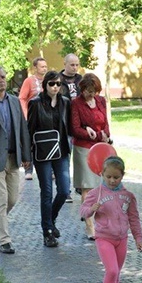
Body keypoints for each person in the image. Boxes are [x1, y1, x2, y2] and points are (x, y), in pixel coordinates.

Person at [80, 156, 142, 283]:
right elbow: (83, 211)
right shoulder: (96, 193)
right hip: (104, 238)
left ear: (122, 176)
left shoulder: (128, 196)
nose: (112, 180)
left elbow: (134, 218)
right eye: (108, 177)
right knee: (112, 270)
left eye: (116, 177)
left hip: (121, 239)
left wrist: (138, 237)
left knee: (116, 273)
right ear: (102, 174)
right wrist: (91, 210)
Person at [0, 65, 31, 254]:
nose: (1, 80)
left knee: (11, 199)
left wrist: (26, 156)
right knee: (1, 200)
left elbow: (23, 129)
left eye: (3, 77)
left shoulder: (13, 101)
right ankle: (5, 240)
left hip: (13, 157)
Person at [27, 70, 72, 247]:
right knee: (46, 191)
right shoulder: (36, 103)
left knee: (63, 190)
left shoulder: (66, 103)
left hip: (61, 152)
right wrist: (27, 156)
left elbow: (70, 126)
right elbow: (29, 130)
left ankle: (50, 220)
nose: (55, 87)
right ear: (45, 85)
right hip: (43, 153)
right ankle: (47, 231)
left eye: (58, 84)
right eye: (51, 84)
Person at [70, 73, 112, 240]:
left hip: (101, 148)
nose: (91, 95)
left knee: (102, 187)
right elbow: (75, 128)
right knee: (88, 188)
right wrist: (89, 133)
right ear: (82, 89)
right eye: (88, 91)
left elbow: (106, 123)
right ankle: (89, 225)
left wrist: (105, 134)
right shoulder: (76, 104)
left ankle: (101, 221)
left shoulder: (101, 101)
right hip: (84, 149)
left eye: (94, 91)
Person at [19, 57, 48, 180]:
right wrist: (25, 114)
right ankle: (28, 170)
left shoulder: (49, 80)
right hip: (32, 117)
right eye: (42, 66)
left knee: (45, 141)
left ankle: (48, 168)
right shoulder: (29, 81)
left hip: (46, 118)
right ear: (35, 67)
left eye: (45, 66)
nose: (44, 68)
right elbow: (22, 98)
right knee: (30, 143)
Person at [59, 53, 82, 204]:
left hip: (80, 125)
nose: (74, 68)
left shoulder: (81, 80)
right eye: (72, 64)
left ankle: (81, 186)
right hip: (65, 125)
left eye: (76, 65)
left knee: (81, 158)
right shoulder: (58, 81)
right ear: (65, 64)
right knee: (65, 159)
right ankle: (65, 190)